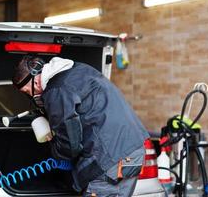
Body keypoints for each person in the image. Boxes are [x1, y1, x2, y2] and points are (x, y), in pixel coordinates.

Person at [12, 55, 150, 197]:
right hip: (132, 149)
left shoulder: (57, 90)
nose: (31, 96)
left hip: (109, 157)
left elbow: (70, 145)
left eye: (27, 92)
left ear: (35, 83)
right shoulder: (79, 69)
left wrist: (52, 144)